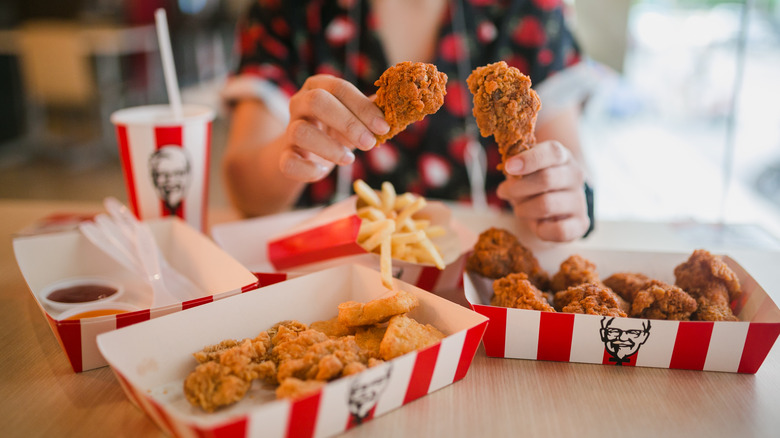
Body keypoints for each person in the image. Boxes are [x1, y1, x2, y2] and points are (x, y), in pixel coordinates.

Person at [222, 0, 593, 242]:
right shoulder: (290, 10)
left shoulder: (531, 11)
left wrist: (563, 197)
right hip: (329, 273)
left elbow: (569, 165)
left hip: (478, 281)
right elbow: (247, 194)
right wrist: (295, 151)